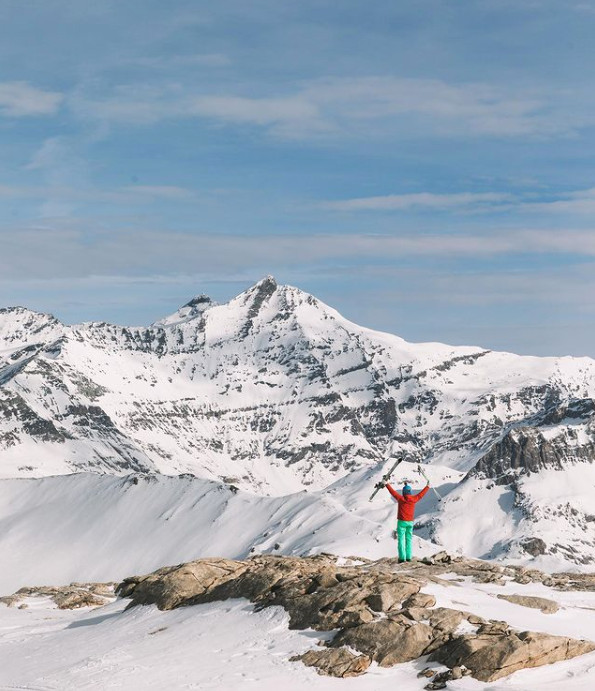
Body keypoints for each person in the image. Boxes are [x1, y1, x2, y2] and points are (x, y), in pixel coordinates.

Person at [385, 481, 430, 563]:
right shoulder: (414, 499)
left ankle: (402, 558)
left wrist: (386, 484)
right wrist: (427, 486)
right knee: (408, 539)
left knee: (401, 540)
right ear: (410, 492)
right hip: (410, 522)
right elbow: (421, 495)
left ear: (403, 492)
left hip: (401, 522)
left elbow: (393, 492)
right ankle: (408, 557)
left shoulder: (401, 499)